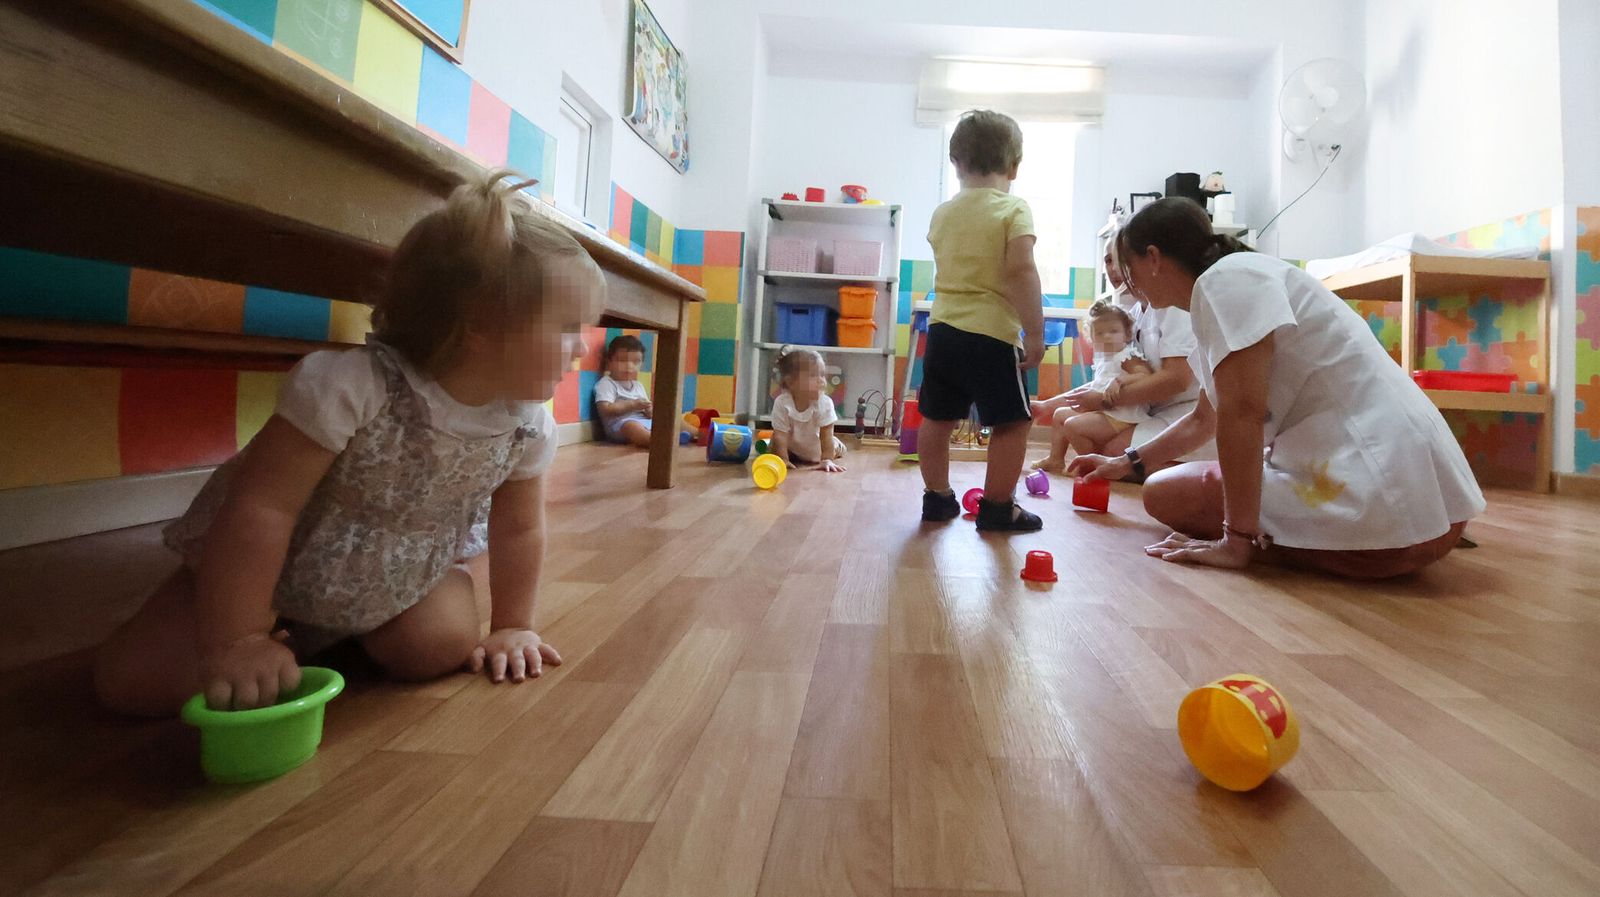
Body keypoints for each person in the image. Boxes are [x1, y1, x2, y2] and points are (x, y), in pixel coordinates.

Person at [94, 171, 604, 717]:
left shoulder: (527, 425)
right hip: (276, 566)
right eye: (567, 326)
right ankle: (268, 633)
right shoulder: (350, 388)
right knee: (131, 683)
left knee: (439, 646)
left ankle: (334, 637)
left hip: (393, 579)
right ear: (481, 325)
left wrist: (512, 626)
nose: (581, 348)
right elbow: (261, 508)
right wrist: (236, 639)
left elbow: (520, 528)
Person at [1069, 198, 1484, 578]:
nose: (1127, 281)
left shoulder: (1225, 282)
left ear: (1154, 258)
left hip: (1385, 503)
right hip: (1433, 507)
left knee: (1164, 493)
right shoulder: (1239, 279)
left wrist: (1235, 541)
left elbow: (1242, 413)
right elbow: (1203, 420)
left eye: (1130, 268)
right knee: (1166, 485)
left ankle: (1277, 544)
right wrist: (1126, 463)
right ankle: (1319, 537)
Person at [918, 109, 1045, 531]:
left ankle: (937, 499)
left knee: (937, 418)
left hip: (941, 331)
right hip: (990, 333)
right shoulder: (1013, 209)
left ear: (956, 162)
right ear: (1014, 165)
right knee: (1012, 422)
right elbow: (1020, 271)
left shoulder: (943, 213)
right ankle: (996, 507)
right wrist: (1037, 331)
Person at [1033, 247, 1209, 476]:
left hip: (1187, 411)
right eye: (1108, 260)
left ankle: (1203, 470)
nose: (1114, 270)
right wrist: (1047, 406)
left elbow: (1177, 380)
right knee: (1109, 450)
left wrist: (1103, 401)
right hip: (1151, 408)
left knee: (1114, 452)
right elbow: (1106, 378)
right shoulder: (1131, 315)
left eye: (1122, 260)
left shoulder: (1174, 306)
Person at [1030, 299, 1153, 473]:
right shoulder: (1105, 357)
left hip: (1123, 417)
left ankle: (1094, 466)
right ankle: (1055, 459)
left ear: (1127, 334)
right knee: (1059, 416)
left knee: (1073, 425)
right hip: (1106, 412)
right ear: (1092, 338)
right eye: (1100, 333)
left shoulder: (1126, 355)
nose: (1107, 336)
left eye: (1114, 331)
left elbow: (1145, 375)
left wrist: (1119, 381)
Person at [770, 346, 846, 472]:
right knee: (775, 440)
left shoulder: (824, 403)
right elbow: (780, 435)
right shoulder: (782, 403)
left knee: (834, 446)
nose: (821, 381)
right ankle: (793, 455)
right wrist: (783, 459)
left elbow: (826, 434)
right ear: (790, 382)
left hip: (819, 447)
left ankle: (838, 446)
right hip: (794, 446)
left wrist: (827, 459)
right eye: (813, 375)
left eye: (822, 375)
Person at [594, 334, 653, 448]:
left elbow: (647, 410)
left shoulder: (638, 385)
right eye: (622, 360)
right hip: (621, 426)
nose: (629, 366)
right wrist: (632, 405)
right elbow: (605, 409)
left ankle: (695, 434)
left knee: (671, 418)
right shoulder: (607, 383)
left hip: (644, 422)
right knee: (632, 426)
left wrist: (649, 410)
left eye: (636, 362)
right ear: (609, 362)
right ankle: (657, 442)